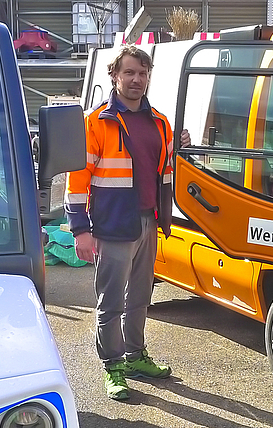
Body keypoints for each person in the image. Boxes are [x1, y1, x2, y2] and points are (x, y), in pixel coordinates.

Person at [65, 45, 191, 401]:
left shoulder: (161, 123)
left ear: (149, 77)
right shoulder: (97, 121)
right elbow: (77, 179)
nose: (136, 79)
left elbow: (164, 167)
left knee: (140, 297)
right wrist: (81, 230)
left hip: (148, 222)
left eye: (142, 73)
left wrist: (181, 145)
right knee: (111, 301)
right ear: (115, 77)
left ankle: (135, 355)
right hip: (111, 224)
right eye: (129, 73)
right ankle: (114, 367)